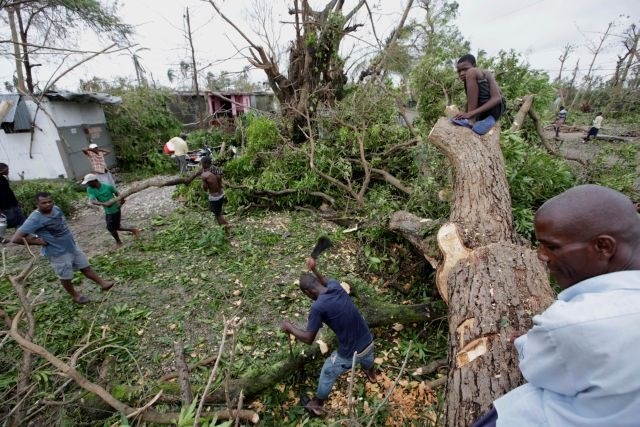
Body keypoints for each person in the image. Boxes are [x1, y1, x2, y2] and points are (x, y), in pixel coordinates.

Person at [473, 184, 640, 427]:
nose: (541, 255)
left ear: (604, 246)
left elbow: (535, 367)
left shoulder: (573, 323)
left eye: (552, 246)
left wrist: (526, 341)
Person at [281, 257, 377, 416]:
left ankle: (317, 405)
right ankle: (371, 373)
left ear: (309, 292)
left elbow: (308, 338)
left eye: (306, 295)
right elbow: (324, 280)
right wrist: (314, 269)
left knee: (327, 370)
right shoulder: (335, 285)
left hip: (352, 352)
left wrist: (289, 327)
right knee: (367, 354)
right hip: (368, 339)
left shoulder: (318, 307)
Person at [11, 192, 115, 304]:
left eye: (50, 201)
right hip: (57, 252)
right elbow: (16, 239)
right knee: (66, 276)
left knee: (85, 266)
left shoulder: (56, 209)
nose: (48, 204)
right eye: (44, 203)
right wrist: (37, 242)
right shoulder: (34, 218)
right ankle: (75, 295)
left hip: (71, 246)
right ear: (37, 204)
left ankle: (103, 283)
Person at [451, 54, 505, 135]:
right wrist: (463, 115)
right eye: (459, 71)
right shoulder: (467, 81)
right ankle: (479, 122)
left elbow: (497, 98)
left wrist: (469, 114)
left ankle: (472, 121)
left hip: (495, 110)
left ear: (474, 66)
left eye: (465, 69)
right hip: (483, 115)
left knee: (471, 72)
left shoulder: (485, 73)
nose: (461, 73)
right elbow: (470, 101)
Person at [82, 173, 140, 249]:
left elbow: (118, 194)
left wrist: (121, 202)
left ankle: (119, 242)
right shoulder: (90, 189)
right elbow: (93, 201)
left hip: (114, 209)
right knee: (115, 227)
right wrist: (104, 204)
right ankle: (133, 230)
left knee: (111, 227)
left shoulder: (107, 187)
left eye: (89, 183)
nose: (88, 185)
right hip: (107, 210)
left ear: (95, 181)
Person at [200, 156, 228, 227]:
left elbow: (205, 189)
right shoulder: (217, 169)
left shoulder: (204, 175)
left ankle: (225, 229)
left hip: (214, 197)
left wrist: (203, 185)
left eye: (202, 163)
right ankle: (226, 225)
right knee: (219, 212)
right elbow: (219, 181)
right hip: (221, 194)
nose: (201, 165)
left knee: (217, 215)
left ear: (205, 164)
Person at [0, 163, 26, 233]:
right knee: (6, 223)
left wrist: (16, 202)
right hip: (5, 207)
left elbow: (9, 193)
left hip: (13, 205)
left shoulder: (3, 179)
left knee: (21, 220)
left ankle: (21, 234)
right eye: (7, 170)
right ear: (1, 170)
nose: (8, 171)